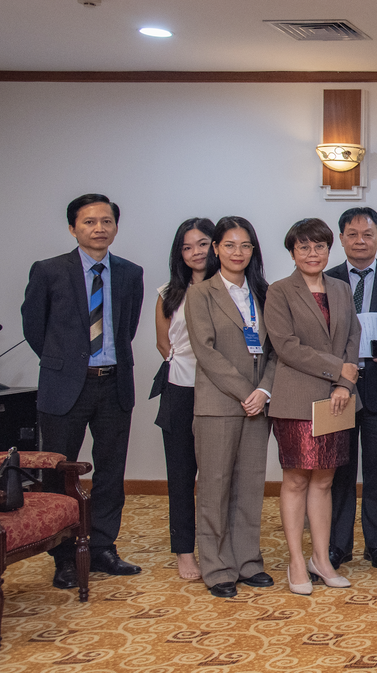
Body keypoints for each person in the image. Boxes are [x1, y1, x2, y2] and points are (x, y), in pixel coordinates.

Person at [22, 193, 145, 589]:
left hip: (114, 383)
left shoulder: (130, 273)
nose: (99, 228)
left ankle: (103, 548)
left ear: (115, 227)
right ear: (73, 228)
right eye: (89, 222)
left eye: (106, 221)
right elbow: (34, 327)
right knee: (59, 474)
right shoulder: (49, 271)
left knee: (111, 471)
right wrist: (66, 363)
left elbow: (127, 327)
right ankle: (65, 557)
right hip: (64, 386)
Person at [263, 218, 362, 595]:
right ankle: (295, 561)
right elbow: (286, 347)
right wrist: (339, 370)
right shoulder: (279, 291)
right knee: (296, 479)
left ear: (329, 249)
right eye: (303, 247)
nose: (312, 253)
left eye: (319, 246)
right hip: (296, 399)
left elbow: (352, 337)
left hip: (337, 398)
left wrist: (344, 384)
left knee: (324, 480)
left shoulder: (340, 288)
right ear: (292, 252)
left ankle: (321, 559)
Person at [185, 216, 278, 598]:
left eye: (245, 245)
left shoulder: (265, 293)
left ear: (253, 250)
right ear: (216, 249)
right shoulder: (201, 294)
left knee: (250, 485)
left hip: (258, 405)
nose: (237, 252)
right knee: (215, 487)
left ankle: (247, 562)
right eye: (229, 245)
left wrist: (264, 391)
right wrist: (246, 391)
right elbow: (206, 352)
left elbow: (277, 350)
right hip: (219, 404)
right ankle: (217, 566)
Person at [326, 207, 377, 571]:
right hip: (337, 388)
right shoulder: (325, 280)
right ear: (341, 239)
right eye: (352, 234)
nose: (360, 241)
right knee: (339, 471)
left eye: (367, 234)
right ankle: (338, 545)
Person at [153, 217, 214, 582]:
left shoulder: (231, 288)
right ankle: (185, 552)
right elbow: (164, 345)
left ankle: (215, 547)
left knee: (216, 477)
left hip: (219, 391)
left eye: (202, 243)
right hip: (179, 390)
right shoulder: (168, 293)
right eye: (187, 247)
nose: (196, 252)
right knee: (180, 476)